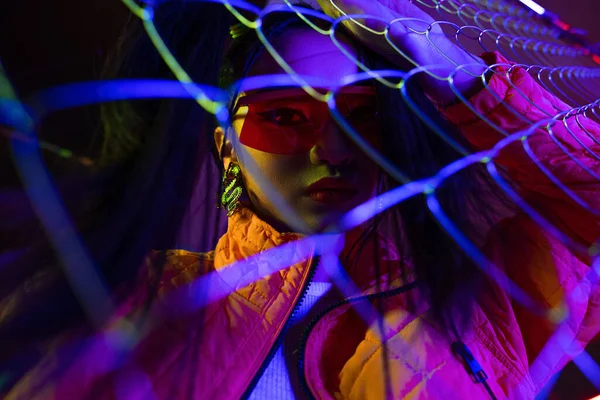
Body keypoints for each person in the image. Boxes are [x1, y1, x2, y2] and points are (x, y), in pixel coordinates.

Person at [5, 1, 600, 399]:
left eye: (363, 116)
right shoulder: (134, 295)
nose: (331, 151)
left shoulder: (475, 301)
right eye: (285, 115)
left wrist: (460, 76)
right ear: (226, 144)